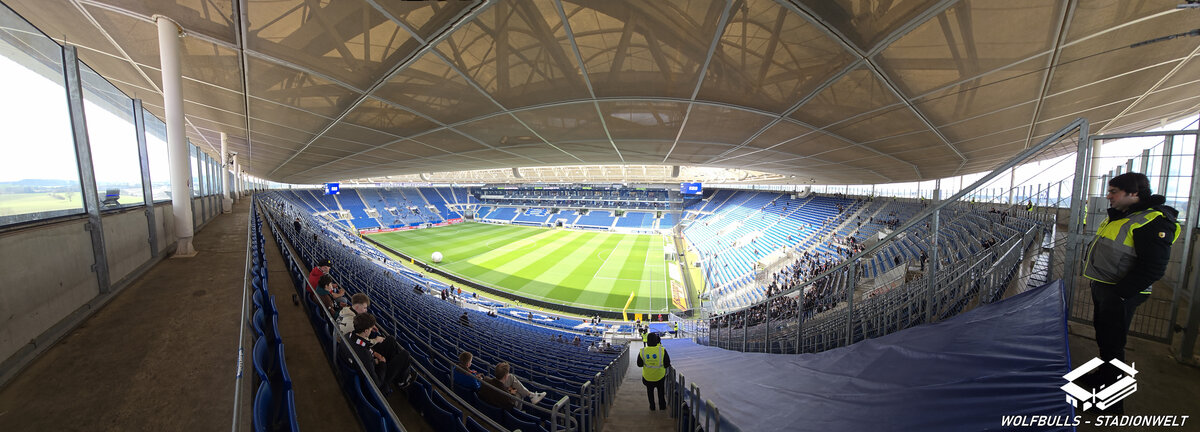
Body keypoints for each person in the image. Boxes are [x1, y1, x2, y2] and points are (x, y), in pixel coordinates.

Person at [1084, 173, 1179, 397]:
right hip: (1105, 286)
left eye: (1113, 191)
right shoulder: (1124, 215)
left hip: (1120, 292)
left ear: (1133, 193)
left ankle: (1112, 400)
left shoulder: (1152, 221)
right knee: (1106, 338)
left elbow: (1153, 267)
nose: (1108, 196)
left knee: (1114, 342)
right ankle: (1105, 375)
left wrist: (1119, 295)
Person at [480, 362, 546, 409]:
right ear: (505, 376)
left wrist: (509, 390)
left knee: (511, 377)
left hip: (497, 395)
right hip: (507, 403)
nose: (508, 375)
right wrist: (512, 394)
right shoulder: (506, 397)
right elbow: (510, 403)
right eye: (508, 374)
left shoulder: (485, 380)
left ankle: (531, 395)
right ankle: (530, 398)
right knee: (518, 393)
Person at [637, 332, 671, 411]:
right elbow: (667, 364)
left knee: (650, 392)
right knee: (661, 392)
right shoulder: (662, 350)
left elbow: (639, 364)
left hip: (647, 377)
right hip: (660, 377)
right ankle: (662, 406)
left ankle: (652, 406)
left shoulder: (642, 351)